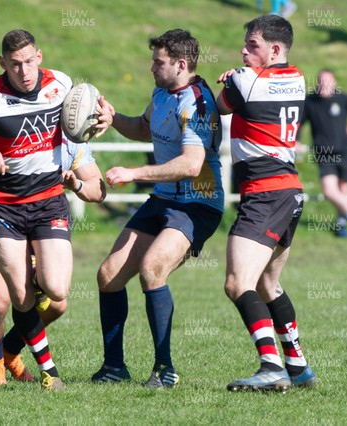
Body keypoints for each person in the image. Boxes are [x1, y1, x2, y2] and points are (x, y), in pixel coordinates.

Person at [0, 29, 110, 391]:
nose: (24, 72)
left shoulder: (62, 85)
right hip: (0, 208)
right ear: (2, 63)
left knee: (56, 290)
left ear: (40, 55)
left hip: (47, 204)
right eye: (15, 65)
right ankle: (12, 365)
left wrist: (106, 113)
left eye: (29, 62)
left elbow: (93, 107)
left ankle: (10, 348)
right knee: (2, 301)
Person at [91, 29, 224, 389]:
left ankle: (164, 369)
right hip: (165, 198)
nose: (152, 67)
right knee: (109, 274)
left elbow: (192, 165)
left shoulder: (197, 102)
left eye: (158, 62)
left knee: (152, 268)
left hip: (198, 202)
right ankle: (114, 367)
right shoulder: (163, 93)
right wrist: (113, 116)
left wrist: (133, 173)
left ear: (181, 65)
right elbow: (142, 128)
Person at [0, 133, 106, 387]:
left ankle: (10, 351)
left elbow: (98, 190)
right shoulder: (24, 124)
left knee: (57, 304)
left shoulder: (73, 144)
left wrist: (76, 184)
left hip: (33, 225)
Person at [216, 14, 316, 391]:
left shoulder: (246, 81)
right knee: (267, 282)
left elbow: (217, 107)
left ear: (274, 49)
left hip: (265, 193)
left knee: (236, 282)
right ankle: (297, 364)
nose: (243, 50)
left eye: (252, 45)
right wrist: (242, 74)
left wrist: (233, 77)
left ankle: (270, 365)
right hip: (290, 191)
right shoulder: (296, 77)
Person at [300, 69, 347, 239]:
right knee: (329, 191)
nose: (324, 85)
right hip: (324, 153)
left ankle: (340, 226)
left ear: (334, 83)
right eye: (321, 81)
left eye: (328, 81)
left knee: (343, 191)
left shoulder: (343, 99)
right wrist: (296, 141)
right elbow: (299, 122)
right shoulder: (310, 102)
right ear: (317, 83)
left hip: (344, 151)